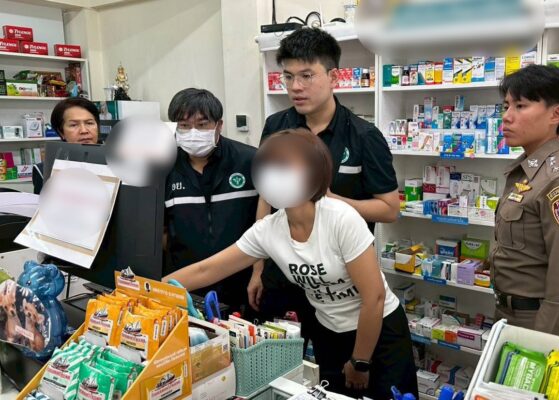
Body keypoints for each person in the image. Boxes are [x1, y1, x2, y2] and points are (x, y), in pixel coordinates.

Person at [165, 129, 417, 399]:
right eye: (268, 167)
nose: (274, 175)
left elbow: (374, 297)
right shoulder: (269, 229)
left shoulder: (340, 218)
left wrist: (360, 361)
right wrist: (151, 288)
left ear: (314, 172)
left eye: (284, 166)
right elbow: (207, 269)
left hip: (378, 333)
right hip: (329, 334)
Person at [249, 27, 399, 328]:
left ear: (334, 77)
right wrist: (257, 267)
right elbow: (266, 197)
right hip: (283, 267)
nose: (296, 86)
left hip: (337, 279)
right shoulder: (276, 127)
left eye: (307, 76)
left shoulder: (364, 136)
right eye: (288, 76)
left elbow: (389, 209)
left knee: (332, 351)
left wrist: (331, 199)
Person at [490, 65, 559, 340]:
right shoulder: (526, 171)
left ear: (556, 114)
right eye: (506, 106)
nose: (507, 116)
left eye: (520, 106)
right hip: (509, 314)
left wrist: (541, 342)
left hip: (540, 322)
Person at [163, 88, 259, 316]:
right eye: (184, 126)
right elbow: (161, 231)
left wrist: (259, 272)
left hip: (242, 282)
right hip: (186, 283)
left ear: (219, 125)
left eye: (202, 125)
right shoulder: (163, 167)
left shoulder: (250, 160)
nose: (193, 132)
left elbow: (265, 224)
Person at [32, 97, 100, 194]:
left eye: (89, 123)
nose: (84, 130)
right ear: (61, 132)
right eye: (73, 125)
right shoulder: (44, 170)